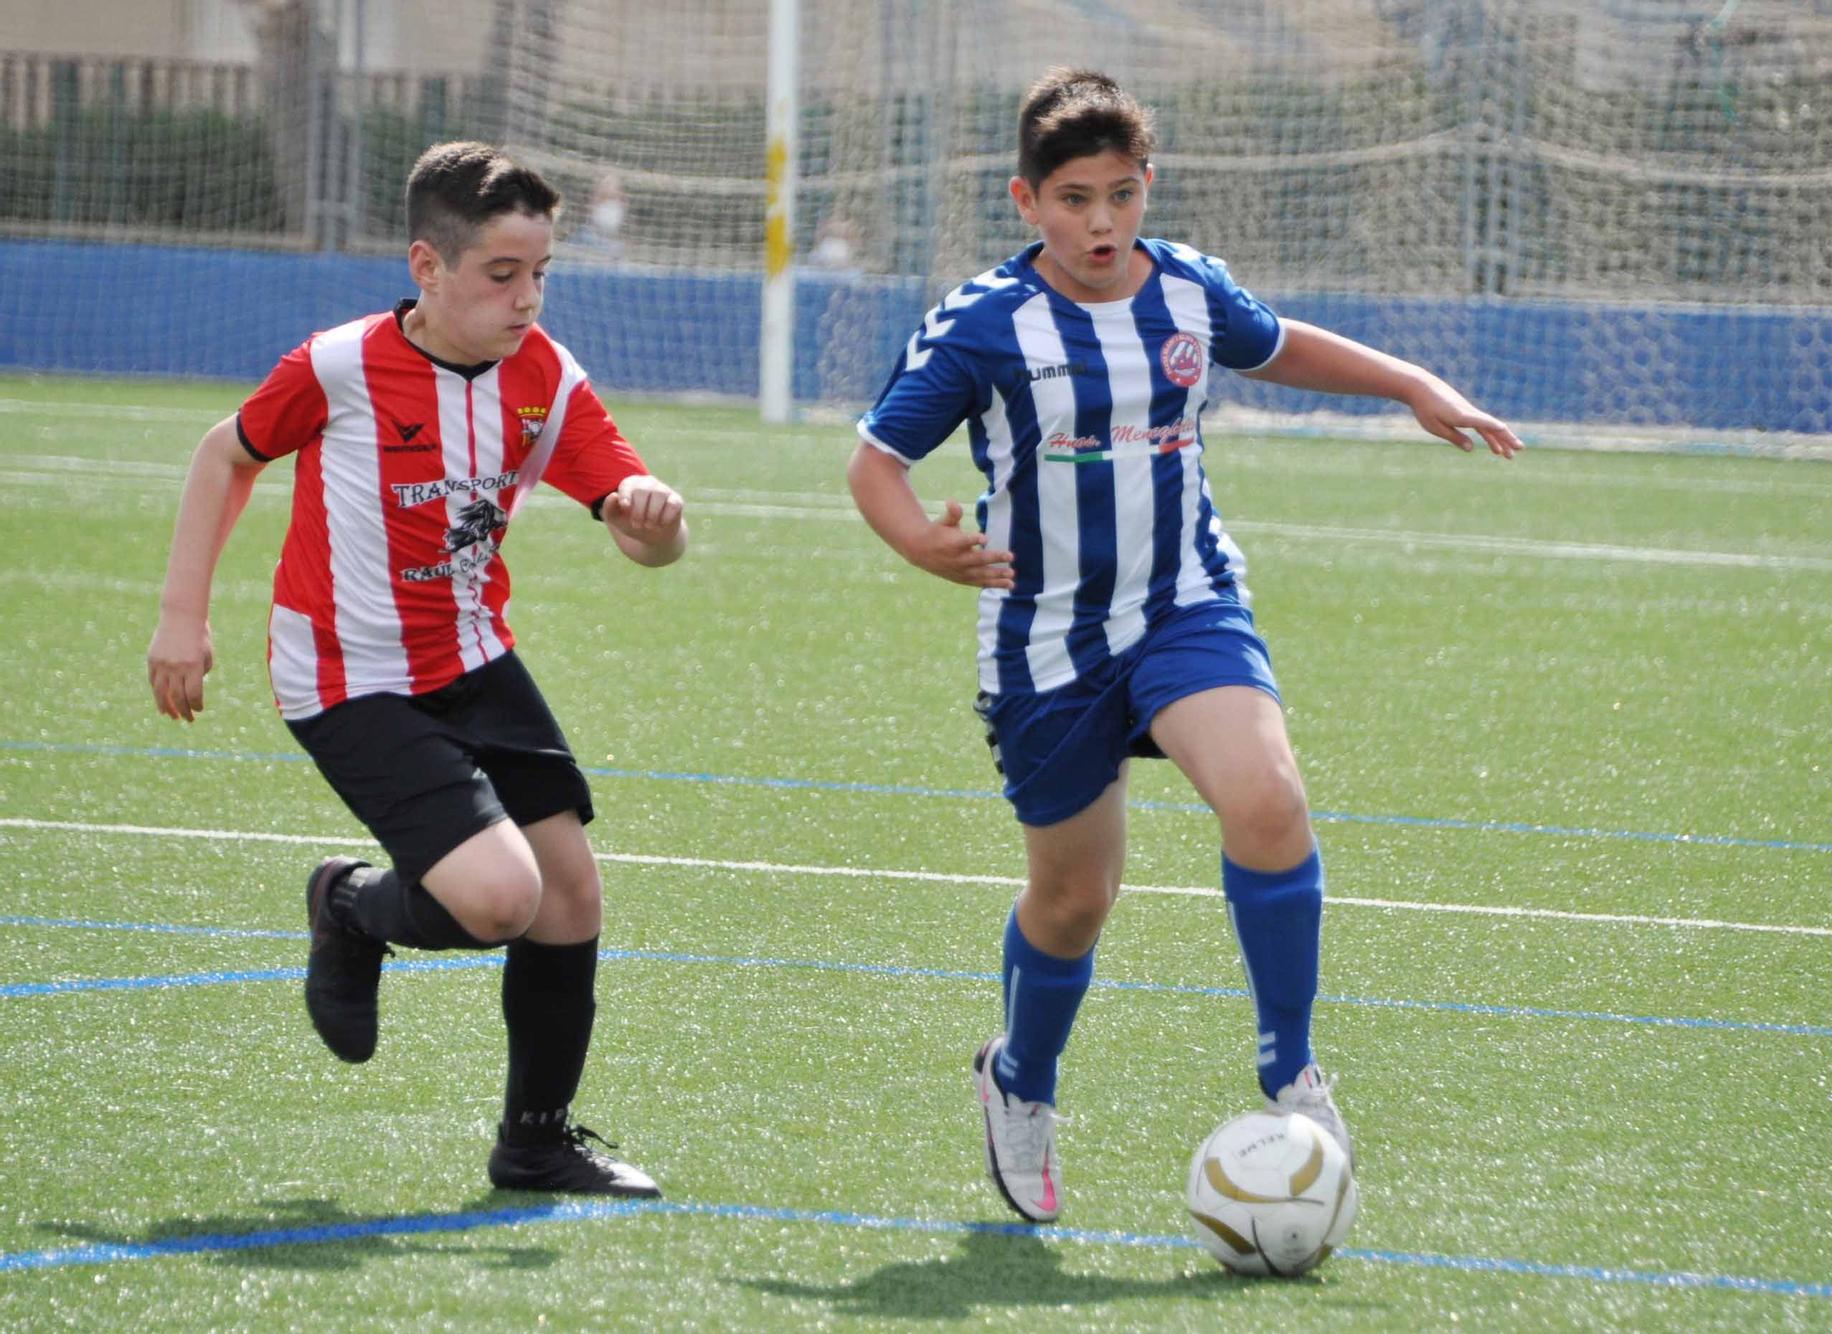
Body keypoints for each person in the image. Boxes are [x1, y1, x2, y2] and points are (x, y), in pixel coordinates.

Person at [846, 68, 1520, 1224]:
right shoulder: (981, 324)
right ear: (1025, 199)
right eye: (1072, 198)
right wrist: (922, 543)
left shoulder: (1189, 292)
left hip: (1184, 605)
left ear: (1146, 184)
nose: (1100, 222)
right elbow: (874, 464)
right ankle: (1018, 1078)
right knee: (1074, 899)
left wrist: (1409, 381)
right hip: (1046, 639)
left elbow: (1278, 345)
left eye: (1119, 193)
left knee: (1267, 798)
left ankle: (1291, 1072)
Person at [146, 141, 688, 1197]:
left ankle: (535, 1142)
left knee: (569, 892)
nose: (526, 298)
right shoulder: (338, 366)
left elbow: (640, 528)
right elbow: (228, 453)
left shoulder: (547, 379)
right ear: (426, 267)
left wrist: (650, 519)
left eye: (539, 274)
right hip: (350, 675)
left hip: (476, 658)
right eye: (501, 275)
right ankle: (351, 906)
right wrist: (181, 617)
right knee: (498, 900)